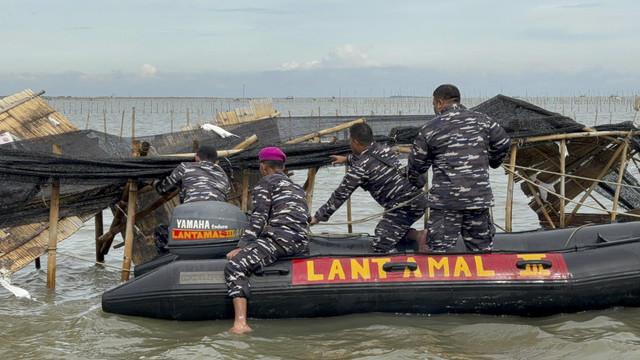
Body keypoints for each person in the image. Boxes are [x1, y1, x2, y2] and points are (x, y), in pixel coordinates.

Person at [407, 84, 511, 252]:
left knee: (440, 255)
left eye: (434, 104)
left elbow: (415, 165)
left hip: (446, 203)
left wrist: (419, 177)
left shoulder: (430, 128)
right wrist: (493, 161)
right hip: (478, 200)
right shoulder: (484, 120)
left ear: (440, 103)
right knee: (482, 252)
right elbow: (504, 143)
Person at [225, 147, 310, 334]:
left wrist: (242, 247)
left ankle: (240, 323)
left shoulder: (266, 182)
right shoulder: (296, 187)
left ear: (263, 167)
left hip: (280, 240)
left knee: (235, 266)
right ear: (283, 166)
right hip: (301, 243)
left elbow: (258, 219)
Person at [310, 123, 428, 253]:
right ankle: (418, 236)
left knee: (380, 246)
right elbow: (370, 157)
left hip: (403, 207)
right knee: (382, 231)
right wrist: (346, 159)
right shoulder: (384, 149)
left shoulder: (360, 168)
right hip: (417, 199)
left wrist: (317, 217)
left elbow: (340, 195)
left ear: (354, 142)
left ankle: (403, 267)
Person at [152, 145, 230, 254]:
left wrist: (152, 182)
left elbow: (163, 189)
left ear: (197, 158)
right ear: (217, 162)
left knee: (160, 231)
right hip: (218, 226)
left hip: (191, 224)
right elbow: (225, 197)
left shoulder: (185, 167)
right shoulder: (223, 175)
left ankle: (166, 260)